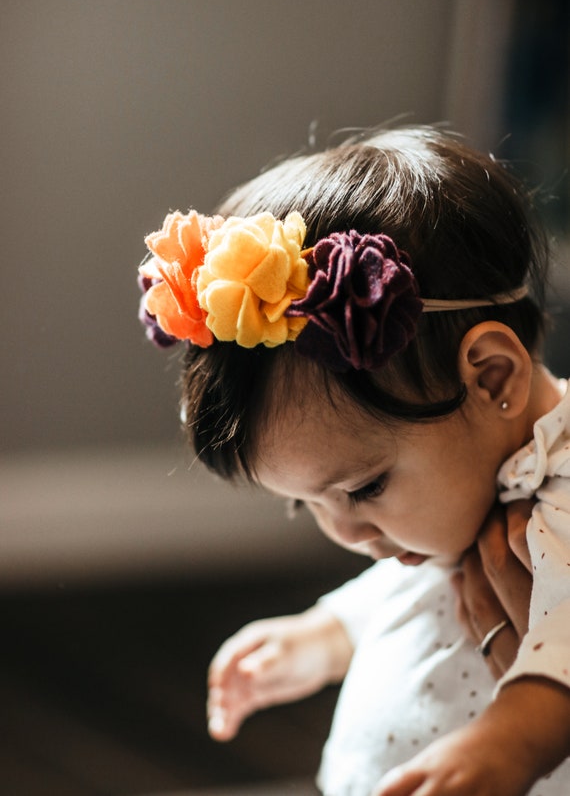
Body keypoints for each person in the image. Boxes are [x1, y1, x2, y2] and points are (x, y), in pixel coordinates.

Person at [137, 126, 570, 795]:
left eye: (364, 487)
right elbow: (417, 592)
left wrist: (509, 741)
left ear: (490, 377)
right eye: (301, 501)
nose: (341, 532)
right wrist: (326, 633)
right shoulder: (448, 510)